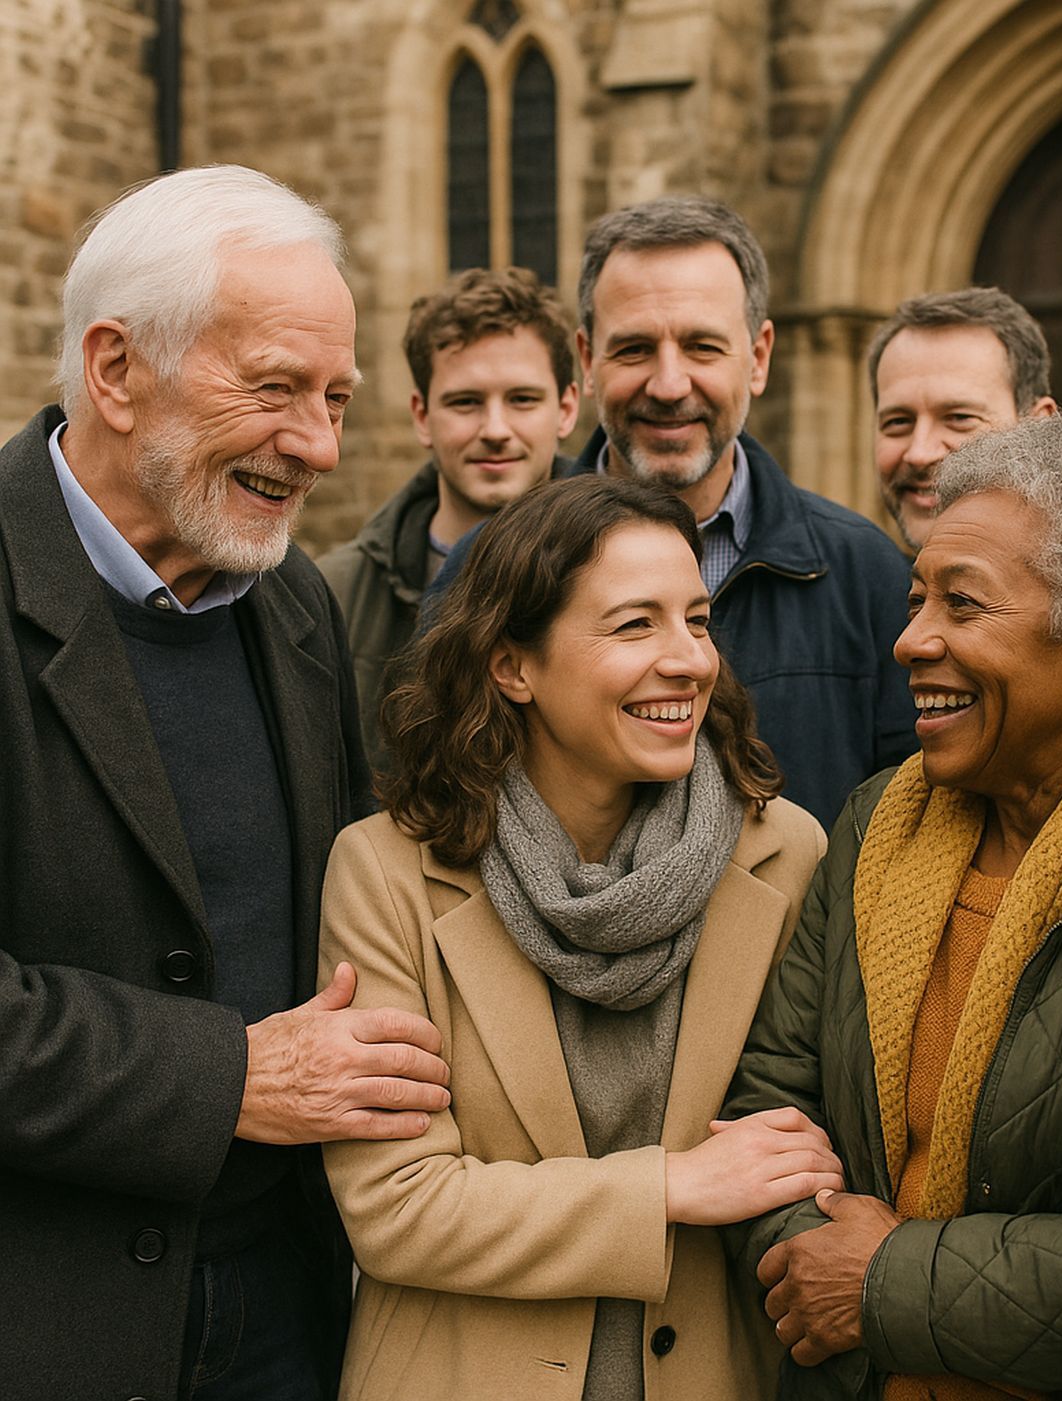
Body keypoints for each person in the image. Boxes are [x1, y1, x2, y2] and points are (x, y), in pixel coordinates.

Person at [0, 165, 452, 1401]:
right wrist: (232, 1078)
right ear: (114, 368)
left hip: (287, 1317)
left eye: (337, 399)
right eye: (275, 391)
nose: (315, 446)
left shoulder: (293, 605)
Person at [724, 409, 1062, 1399]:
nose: (908, 641)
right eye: (916, 597)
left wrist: (886, 1284)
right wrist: (811, 1259)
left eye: (963, 607)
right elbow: (769, 1105)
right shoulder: (873, 824)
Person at [320, 474, 839, 1400]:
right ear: (511, 665)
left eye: (697, 620)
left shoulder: (786, 854)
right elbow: (397, 1207)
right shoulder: (387, 872)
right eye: (634, 625)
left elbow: (806, 1150)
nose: (686, 659)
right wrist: (670, 1188)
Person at [427, 196, 914, 829]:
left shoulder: (861, 573)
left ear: (759, 356)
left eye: (702, 347)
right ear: (587, 360)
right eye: (632, 350)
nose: (668, 384)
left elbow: (912, 829)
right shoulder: (485, 569)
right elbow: (438, 802)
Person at [318, 266, 579, 770]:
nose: (496, 429)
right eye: (466, 403)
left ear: (566, 409)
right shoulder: (337, 594)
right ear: (422, 416)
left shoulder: (630, 573)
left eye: (522, 400)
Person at [868, 287, 1057, 551]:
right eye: (899, 422)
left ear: (1038, 426)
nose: (919, 454)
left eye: (959, 418)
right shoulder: (851, 585)